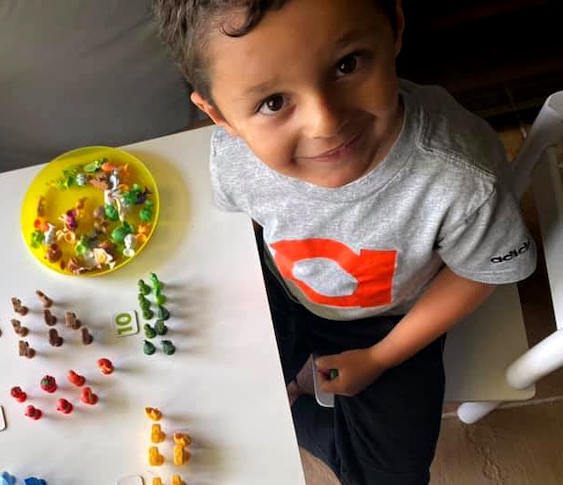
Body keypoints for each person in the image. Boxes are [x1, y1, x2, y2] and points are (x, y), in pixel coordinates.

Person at [151, 0, 537, 483]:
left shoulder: (461, 174)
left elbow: (481, 270)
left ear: (394, 27)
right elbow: (244, 230)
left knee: (390, 475)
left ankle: (304, 410)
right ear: (219, 115)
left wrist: (382, 356)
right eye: (273, 103)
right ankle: (293, 399)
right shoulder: (233, 158)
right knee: (210, 394)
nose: (325, 123)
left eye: (346, 65)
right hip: (284, 293)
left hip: (390, 319)